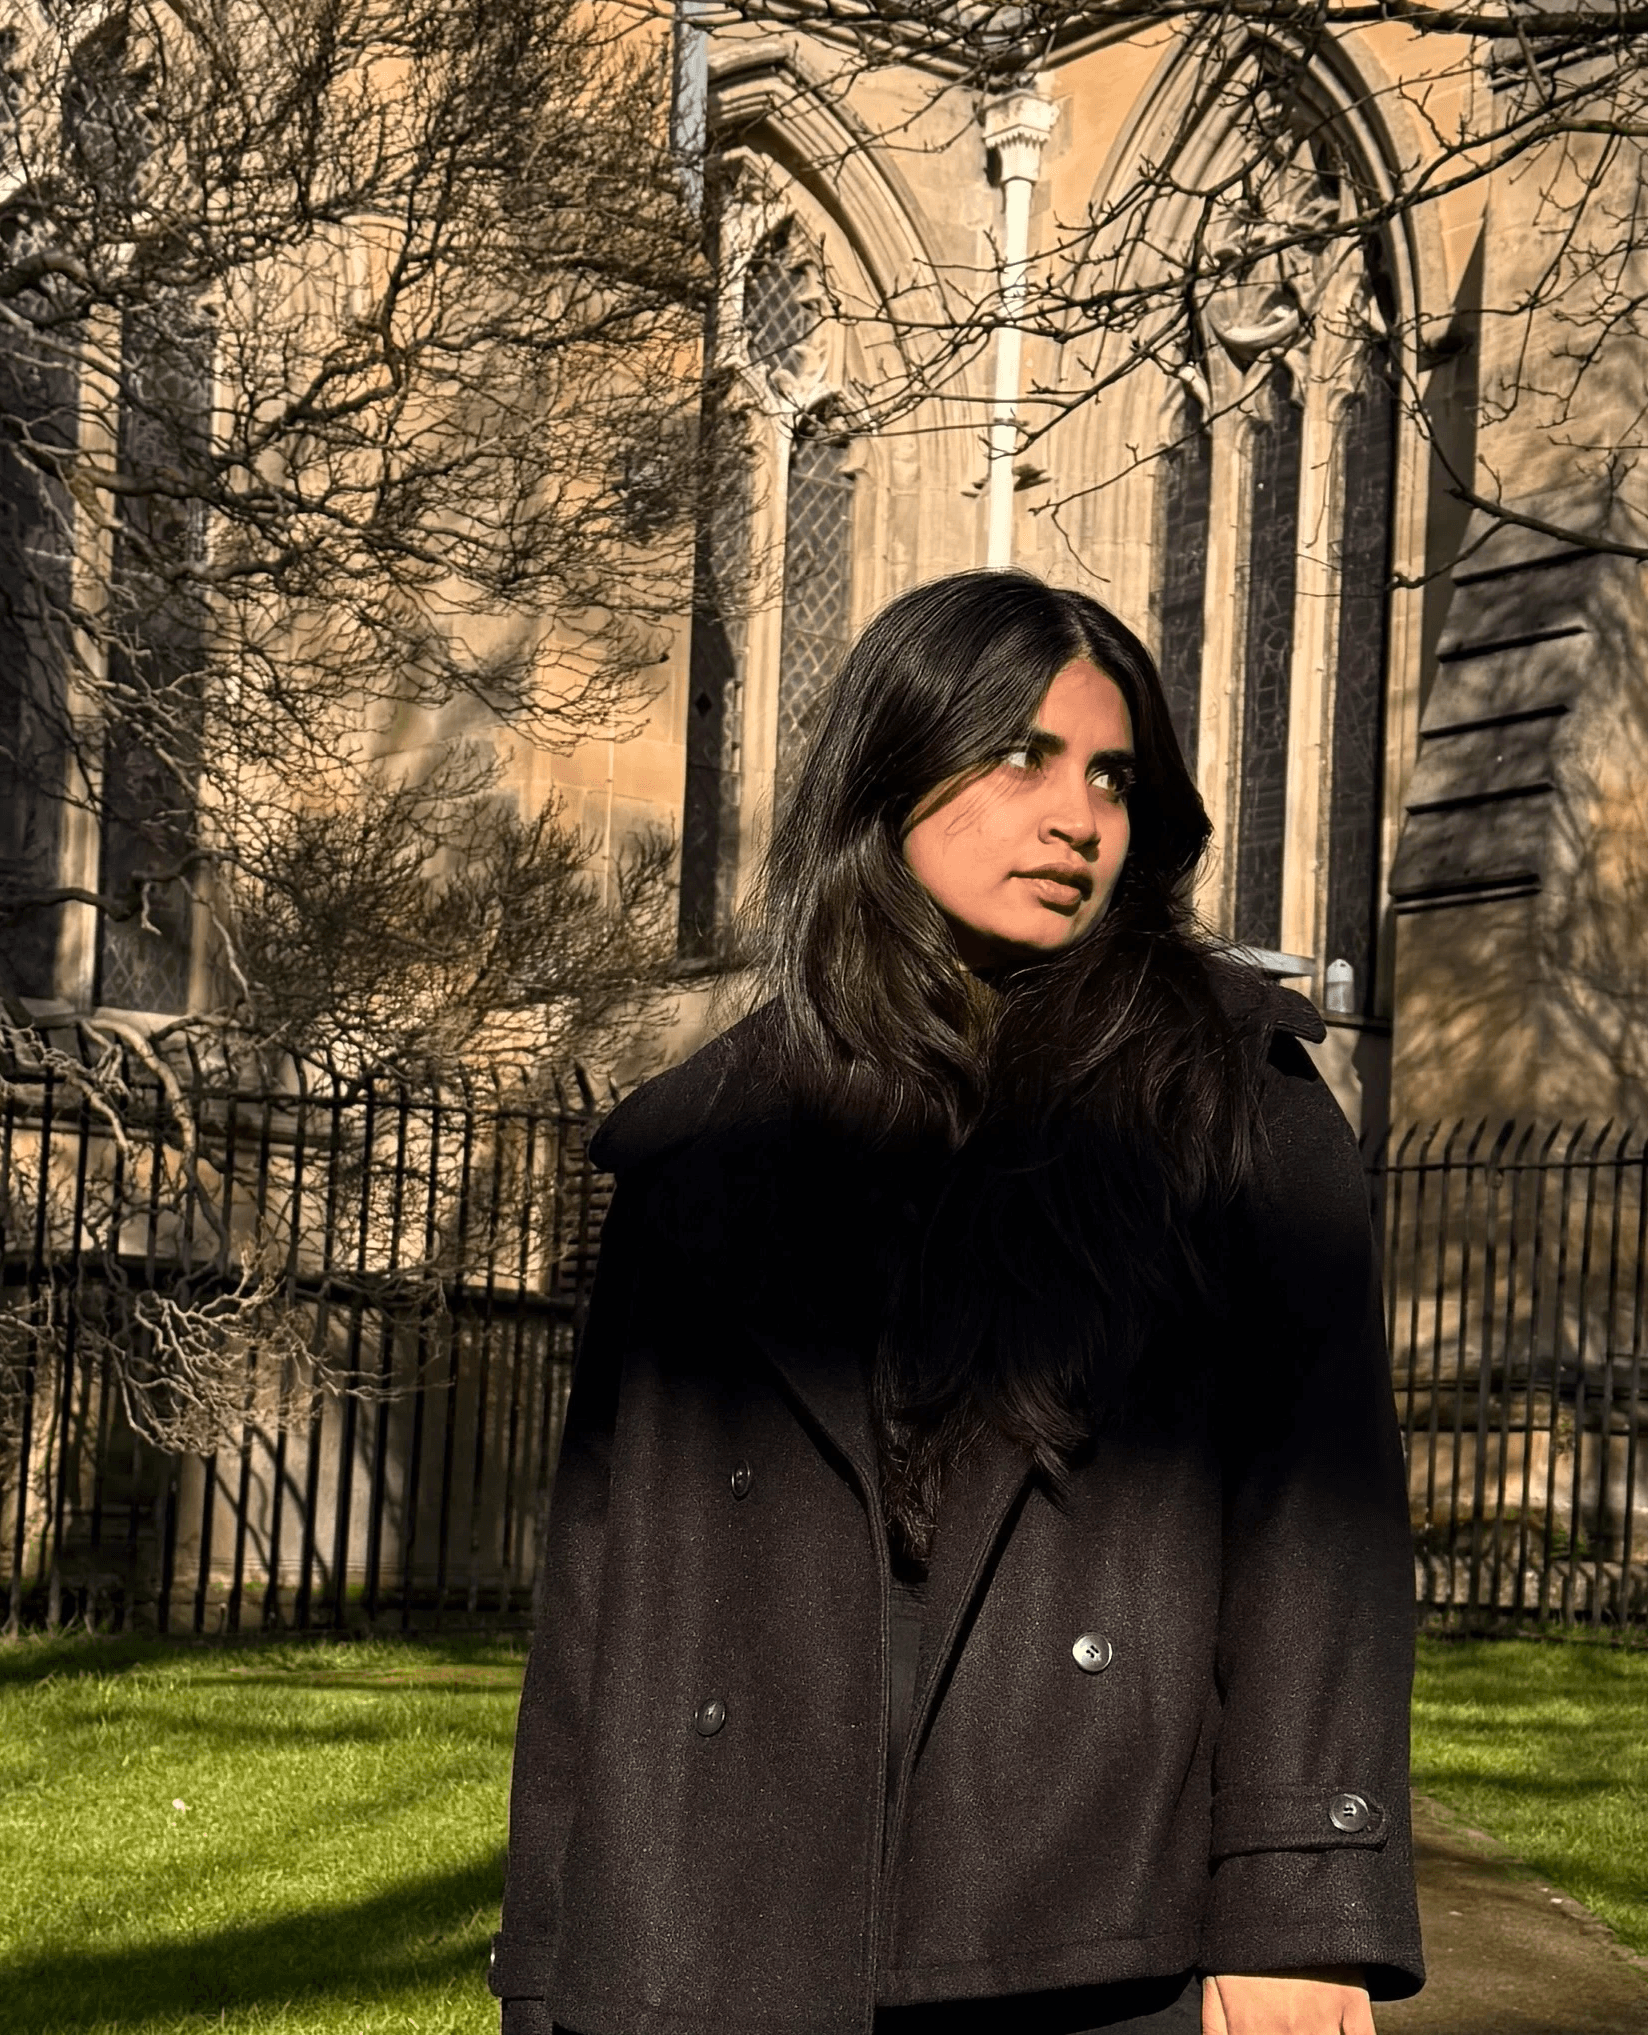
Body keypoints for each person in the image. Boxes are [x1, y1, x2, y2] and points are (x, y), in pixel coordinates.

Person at [489, 570, 1425, 2035]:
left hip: (1086, 1923)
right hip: (718, 1925)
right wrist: (547, 1961)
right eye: (1022, 756)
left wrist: (1301, 1904)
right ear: (892, 766)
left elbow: (1322, 1525)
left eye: (1112, 773)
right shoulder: (701, 1148)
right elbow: (605, 1600)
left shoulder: (1234, 1099)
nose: (1078, 816)